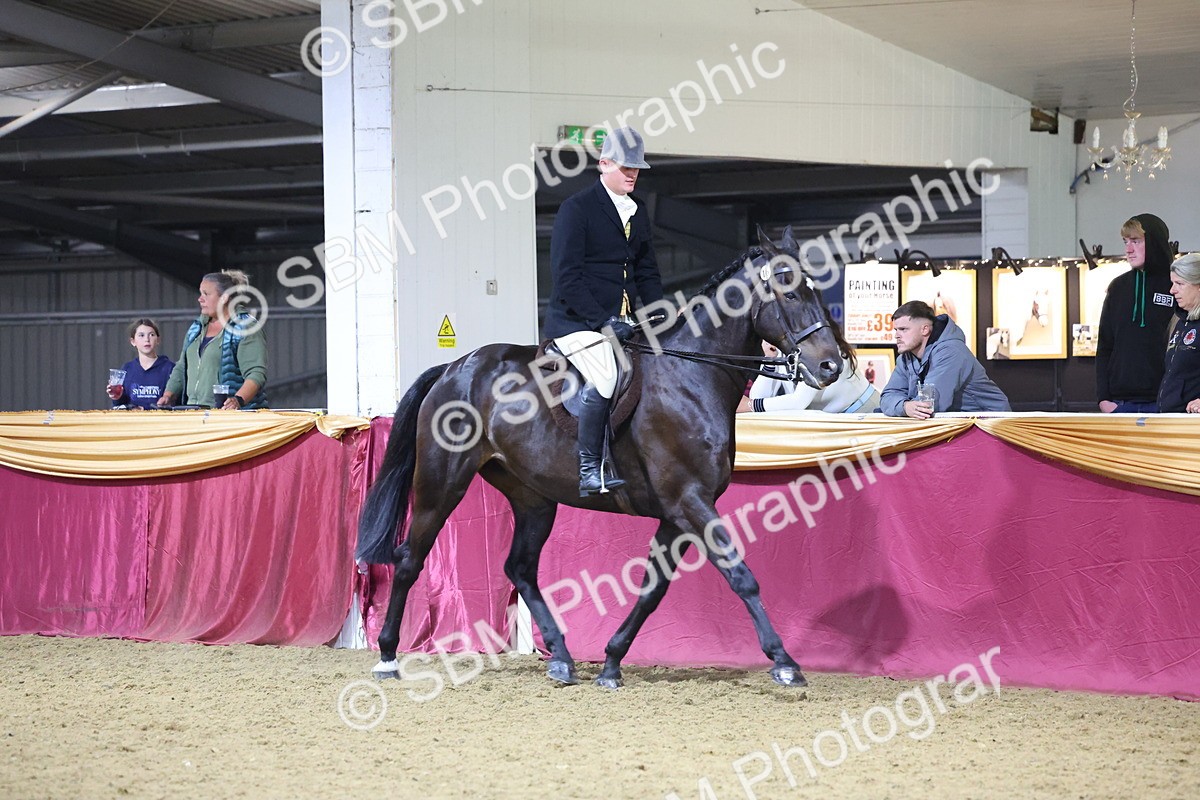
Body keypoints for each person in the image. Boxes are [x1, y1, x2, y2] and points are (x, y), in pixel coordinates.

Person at [544, 126, 663, 495]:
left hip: (623, 321)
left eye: (637, 168)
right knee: (608, 377)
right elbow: (567, 276)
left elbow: (646, 269)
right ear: (604, 163)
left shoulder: (637, 210)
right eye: (626, 167)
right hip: (578, 321)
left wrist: (658, 311)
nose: (632, 174)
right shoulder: (576, 209)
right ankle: (589, 469)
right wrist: (603, 322)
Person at [1096, 213, 1175, 413]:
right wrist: (1103, 399)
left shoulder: (1176, 286)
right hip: (1120, 404)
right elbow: (1105, 346)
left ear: (1154, 242)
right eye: (1125, 241)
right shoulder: (1118, 287)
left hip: (1165, 402)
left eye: (1136, 241)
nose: (1128, 249)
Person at [158, 270, 268, 409]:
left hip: (232, 417)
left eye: (206, 294)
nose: (200, 298)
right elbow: (181, 366)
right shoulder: (196, 327)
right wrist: (169, 395)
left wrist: (238, 400)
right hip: (195, 412)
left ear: (225, 298)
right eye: (200, 293)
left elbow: (256, 373)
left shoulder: (245, 327)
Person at [880, 300, 1010, 418]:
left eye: (903, 329)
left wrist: (905, 406)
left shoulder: (951, 351)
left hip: (990, 424)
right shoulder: (906, 357)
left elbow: (929, 405)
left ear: (925, 329)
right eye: (896, 330)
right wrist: (905, 407)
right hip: (959, 425)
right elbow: (887, 397)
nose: (897, 335)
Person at [738, 341, 879, 413]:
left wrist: (750, 405)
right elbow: (758, 396)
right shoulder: (784, 349)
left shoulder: (818, 347)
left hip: (866, 412)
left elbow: (799, 402)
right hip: (837, 420)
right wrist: (770, 359)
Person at [1158, 254, 1200, 413]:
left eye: (1179, 284)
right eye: (1172, 283)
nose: (1172, 290)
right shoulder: (1180, 321)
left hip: (1191, 425)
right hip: (1169, 418)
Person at [105, 318, 174, 409]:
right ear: (133, 341)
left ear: (158, 340)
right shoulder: (127, 369)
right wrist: (117, 397)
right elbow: (119, 406)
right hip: (134, 421)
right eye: (141, 335)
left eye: (152, 335)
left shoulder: (170, 368)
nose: (147, 339)